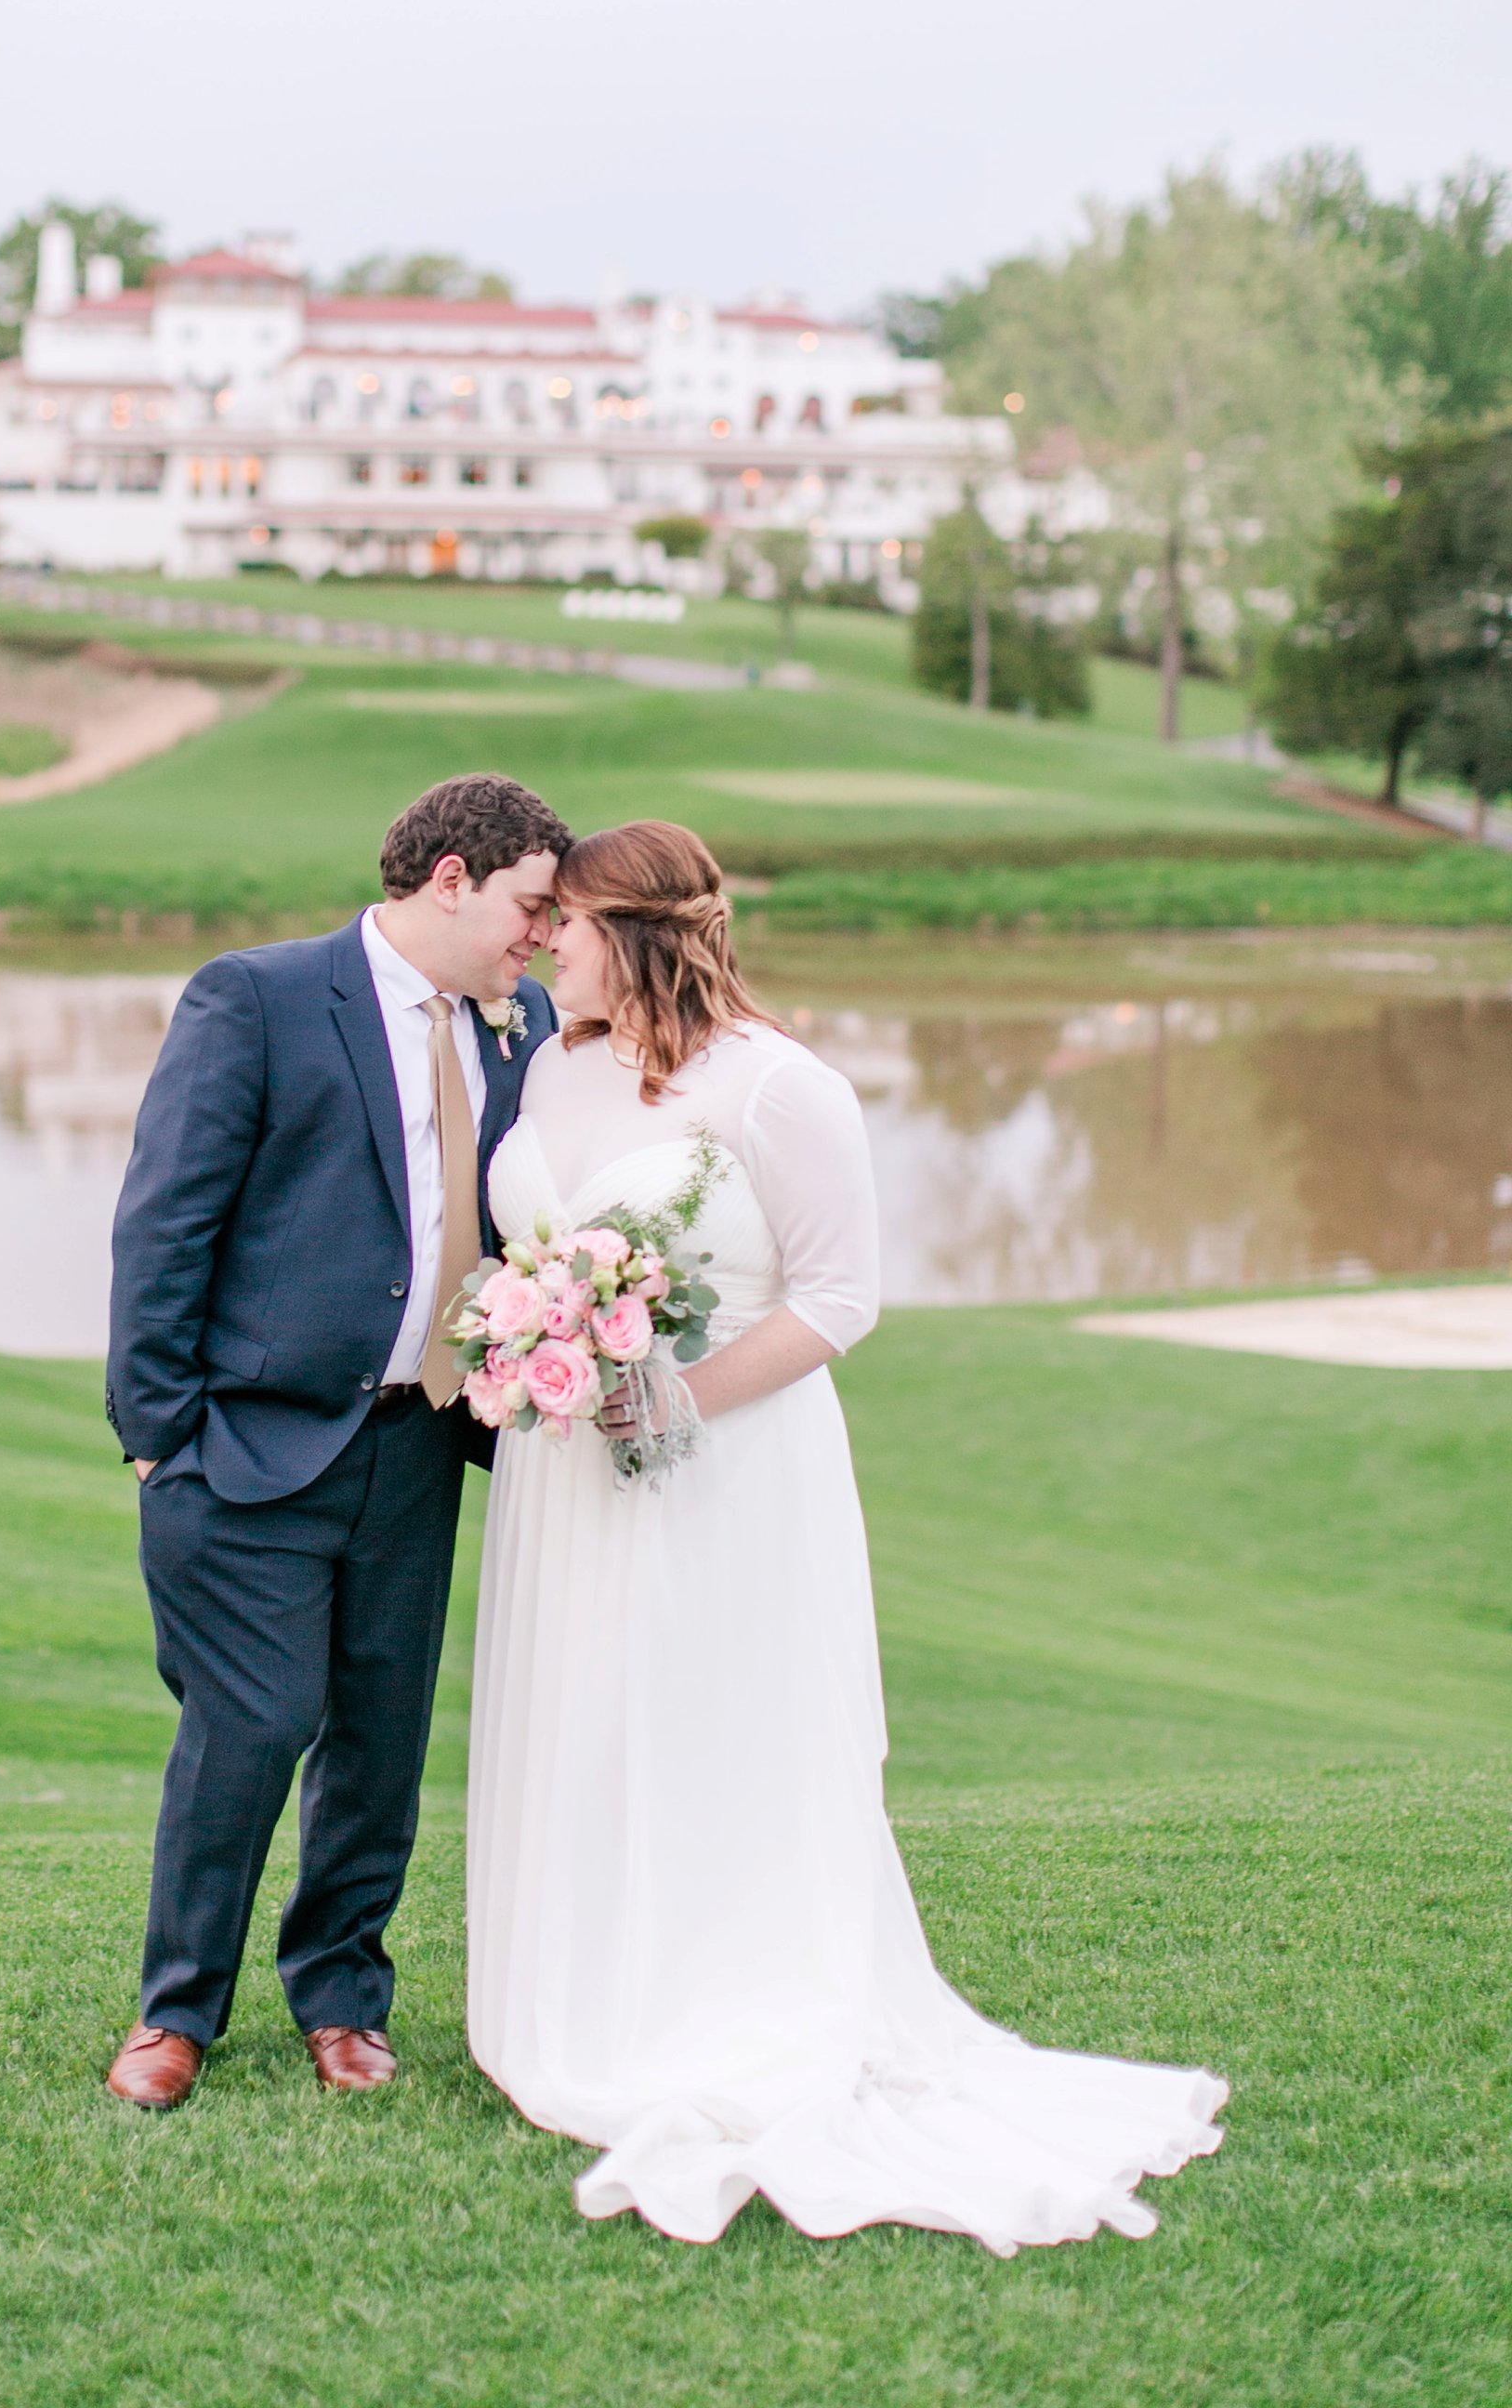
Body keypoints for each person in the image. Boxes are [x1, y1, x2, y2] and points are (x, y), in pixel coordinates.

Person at [467, 818, 1227, 2246]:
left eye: (561, 922)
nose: (540, 942)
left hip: (728, 1470)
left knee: (716, 1726)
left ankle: (726, 2005)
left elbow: (838, 1298)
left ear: (625, 933)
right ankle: (584, 1999)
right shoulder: (549, 1067)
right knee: (592, 1717)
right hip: (564, 1478)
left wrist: (673, 1396)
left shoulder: (781, 1089)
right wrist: (538, 1352)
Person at [102, 771, 569, 2110]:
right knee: (250, 1727)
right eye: (530, 907)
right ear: (450, 880)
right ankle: (177, 2012)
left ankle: (344, 1998)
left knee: (378, 1736)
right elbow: (165, 1223)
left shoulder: (518, 1022)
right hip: (246, 1444)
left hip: (419, 1444)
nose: (539, 936)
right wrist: (157, 1438)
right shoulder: (254, 997)